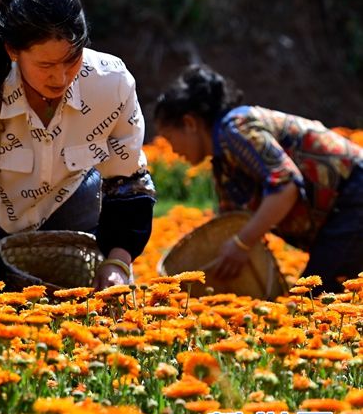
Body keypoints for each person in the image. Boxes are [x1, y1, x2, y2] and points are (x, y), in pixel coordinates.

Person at [0, 0, 156, 291]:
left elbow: (128, 182)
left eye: (71, 61)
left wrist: (117, 262)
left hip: (80, 213)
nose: (60, 78)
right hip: (1, 229)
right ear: (13, 52)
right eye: (46, 65)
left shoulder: (112, 83)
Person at [154, 64, 363, 292]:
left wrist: (242, 243)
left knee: (311, 303)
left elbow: (286, 185)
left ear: (190, 123)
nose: (172, 149)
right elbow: (234, 221)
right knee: (315, 300)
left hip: (353, 196)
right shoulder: (223, 165)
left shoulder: (235, 129)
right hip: (342, 210)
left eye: (168, 137)